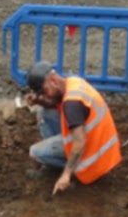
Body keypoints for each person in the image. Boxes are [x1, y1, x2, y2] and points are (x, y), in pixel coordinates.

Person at [23, 62, 122, 194]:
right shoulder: (72, 82)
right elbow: (56, 103)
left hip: (93, 159)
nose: (44, 96)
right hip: (98, 142)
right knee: (44, 113)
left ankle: (69, 169)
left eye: (44, 91)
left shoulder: (72, 104)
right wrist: (39, 101)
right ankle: (56, 160)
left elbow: (80, 141)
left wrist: (66, 175)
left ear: (53, 81)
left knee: (35, 152)